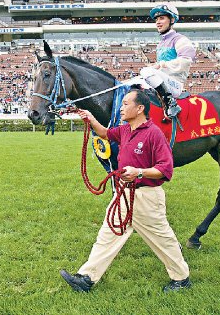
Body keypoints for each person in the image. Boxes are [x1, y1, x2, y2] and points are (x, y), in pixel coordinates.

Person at [60, 88, 192, 293]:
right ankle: (86, 277)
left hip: (145, 197)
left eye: (126, 104)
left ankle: (182, 279)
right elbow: (104, 133)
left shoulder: (154, 134)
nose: (121, 108)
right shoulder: (124, 130)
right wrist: (90, 118)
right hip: (122, 193)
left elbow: (165, 169)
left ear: (140, 109)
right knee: (108, 234)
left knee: (162, 239)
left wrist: (139, 172)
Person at [127, 4, 196, 119]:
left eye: (162, 18)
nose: (158, 22)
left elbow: (186, 61)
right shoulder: (161, 44)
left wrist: (161, 65)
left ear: (172, 20)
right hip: (164, 81)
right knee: (130, 82)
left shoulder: (180, 39)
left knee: (146, 71)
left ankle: (171, 103)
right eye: (157, 19)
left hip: (175, 84)